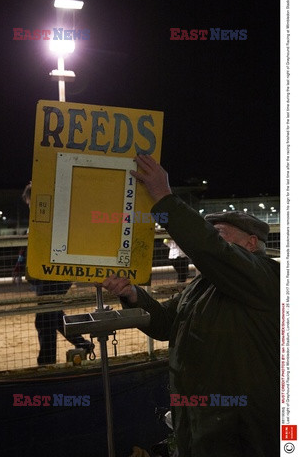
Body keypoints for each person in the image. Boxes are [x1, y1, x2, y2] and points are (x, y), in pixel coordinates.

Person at [101, 155, 279, 457]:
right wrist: (133, 294)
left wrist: (164, 198)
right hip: (198, 420)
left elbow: (211, 249)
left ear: (251, 243)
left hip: (239, 426)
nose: (213, 241)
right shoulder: (202, 284)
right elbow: (165, 324)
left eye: (221, 234)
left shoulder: (265, 276)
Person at [13, 182, 94, 365]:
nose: (29, 206)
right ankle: (83, 343)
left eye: (29, 202)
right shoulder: (45, 217)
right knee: (53, 314)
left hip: (54, 273)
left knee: (44, 318)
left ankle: (47, 363)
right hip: (49, 273)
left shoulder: (51, 216)